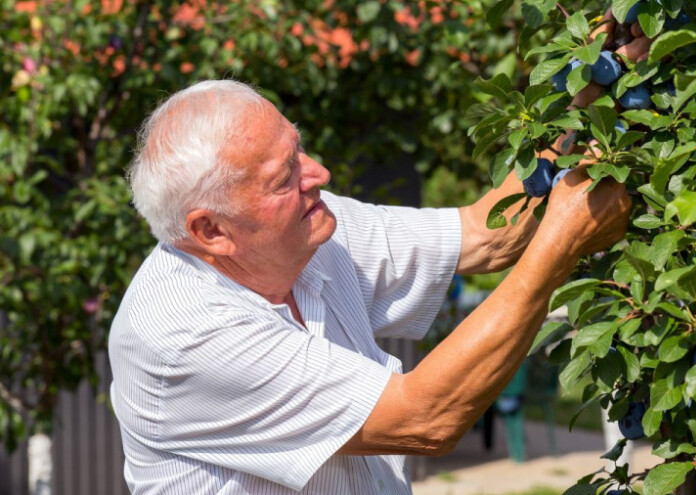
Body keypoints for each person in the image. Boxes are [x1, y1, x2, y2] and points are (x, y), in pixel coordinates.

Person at [109, 15, 646, 495]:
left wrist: (586, 88)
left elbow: (488, 234)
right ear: (211, 230)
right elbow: (424, 418)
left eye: (297, 148)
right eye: (283, 176)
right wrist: (559, 248)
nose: (318, 174)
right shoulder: (182, 337)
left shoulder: (312, 228)